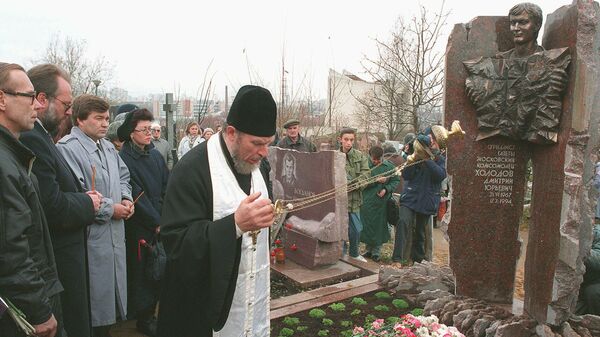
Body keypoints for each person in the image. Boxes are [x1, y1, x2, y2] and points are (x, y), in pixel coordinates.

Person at [157, 85, 276, 337]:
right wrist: (234, 225)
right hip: (201, 306)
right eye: (257, 143)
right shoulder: (191, 170)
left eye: (268, 144)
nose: (264, 153)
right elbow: (175, 243)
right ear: (231, 132)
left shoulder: (258, 164)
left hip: (251, 292)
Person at [21, 64, 100, 337]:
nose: (69, 111)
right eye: (66, 104)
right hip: (60, 261)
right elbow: (51, 206)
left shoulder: (41, 136)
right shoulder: (33, 138)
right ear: (42, 99)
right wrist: (87, 203)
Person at [56, 94, 132, 337]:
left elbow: (123, 177)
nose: (104, 124)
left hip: (114, 239)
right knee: (91, 311)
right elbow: (79, 194)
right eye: (98, 118)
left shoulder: (108, 146)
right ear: (79, 119)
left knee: (109, 311)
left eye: (107, 119)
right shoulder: (68, 149)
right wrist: (112, 209)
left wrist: (127, 199)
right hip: (90, 240)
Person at [0, 62, 63, 337]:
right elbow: (12, 248)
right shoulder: (3, 163)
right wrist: (38, 309)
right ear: (2, 99)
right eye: (28, 96)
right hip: (24, 311)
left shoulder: (12, 155)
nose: (36, 105)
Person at [118, 109, 169, 337]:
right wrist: (155, 221)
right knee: (143, 273)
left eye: (151, 129)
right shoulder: (124, 158)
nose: (150, 134)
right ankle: (143, 317)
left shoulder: (156, 155)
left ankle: (154, 312)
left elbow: (168, 185)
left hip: (160, 219)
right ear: (131, 133)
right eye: (144, 130)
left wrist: (168, 216)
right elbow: (136, 194)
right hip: (140, 224)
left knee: (159, 269)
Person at [392, 131, 446, 264]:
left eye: (433, 141)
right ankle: (397, 259)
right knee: (403, 223)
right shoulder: (415, 157)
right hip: (410, 197)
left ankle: (418, 260)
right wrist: (414, 158)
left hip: (426, 200)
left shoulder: (439, 159)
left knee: (421, 233)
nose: (432, 143)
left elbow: (440, 175)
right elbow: (407, 175)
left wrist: (427, 159)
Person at [360, 145, 400, 262]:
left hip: (381, 203)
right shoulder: (365, 166)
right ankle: (368, 249)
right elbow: (361, 181)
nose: (376, 162)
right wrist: (375, 181)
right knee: (367, 226)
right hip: (367, 201)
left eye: (379, 159)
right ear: (370, 157)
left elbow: (396, 180)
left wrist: (386, 188)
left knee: (379, 227)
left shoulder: (389, 167)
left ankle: (376, 252)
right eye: (374, 159)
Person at [339, 127, 370, 262]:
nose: (348, 143)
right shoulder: (334, 155)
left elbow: (366, 174)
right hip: (339, 201)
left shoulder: (360, 156)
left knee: (356, 230)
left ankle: (354, 253)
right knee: (339, 229)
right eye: (346, 139)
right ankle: (340, 253)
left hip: (354, 200)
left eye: (351, 140)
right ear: (340, 140)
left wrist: (355, 184)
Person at [576, 224, 600, 316]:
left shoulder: (597, 233)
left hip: (593, 285)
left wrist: (579, 250)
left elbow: (598, 260)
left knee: (593, 292)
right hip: (583, 283)